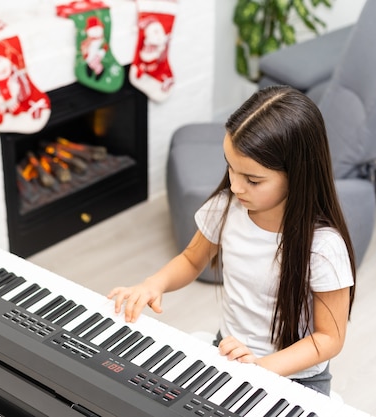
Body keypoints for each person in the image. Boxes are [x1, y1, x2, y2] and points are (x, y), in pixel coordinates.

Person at [107, 85, 356, 395]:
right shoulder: (226, 208)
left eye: (252, 179)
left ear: (297, 174)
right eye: (230, 168)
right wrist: (152, 284)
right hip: (230, 351)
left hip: (295, 376)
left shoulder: (323, 248)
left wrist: (261, 369)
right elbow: (190, 259)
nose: (235, 187)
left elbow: (329, 338)